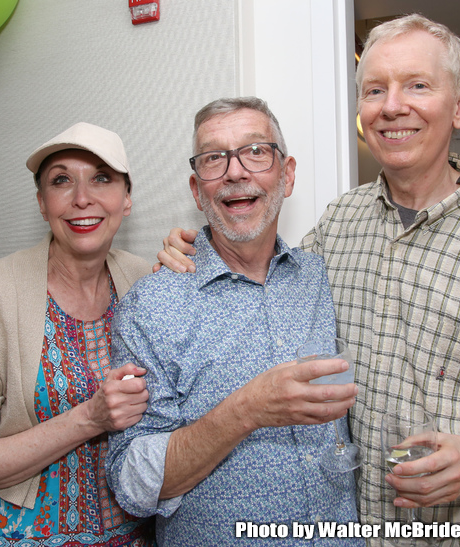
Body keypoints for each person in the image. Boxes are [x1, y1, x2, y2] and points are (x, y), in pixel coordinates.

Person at [156, 15, 460, 546]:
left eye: (418, 85)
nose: (392, 105)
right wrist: (195, 246)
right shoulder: (339, 224)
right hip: (371, 528)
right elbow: (264, 268)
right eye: (375, 89)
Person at [106, 97, 362, 546]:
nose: (235, 172)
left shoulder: (321, 276)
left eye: (256, 151)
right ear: (195, 188)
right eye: (213, 158)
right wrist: (244, 411)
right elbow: (132, 483)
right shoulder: (152, 305)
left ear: (287, 174)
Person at [0, 122, 156, 546]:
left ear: (126, 199)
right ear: (42, 202)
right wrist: (89, 418)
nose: (81, 198)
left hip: (138, 535)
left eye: (102, 178)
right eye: (61, 181)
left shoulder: (145, 281)